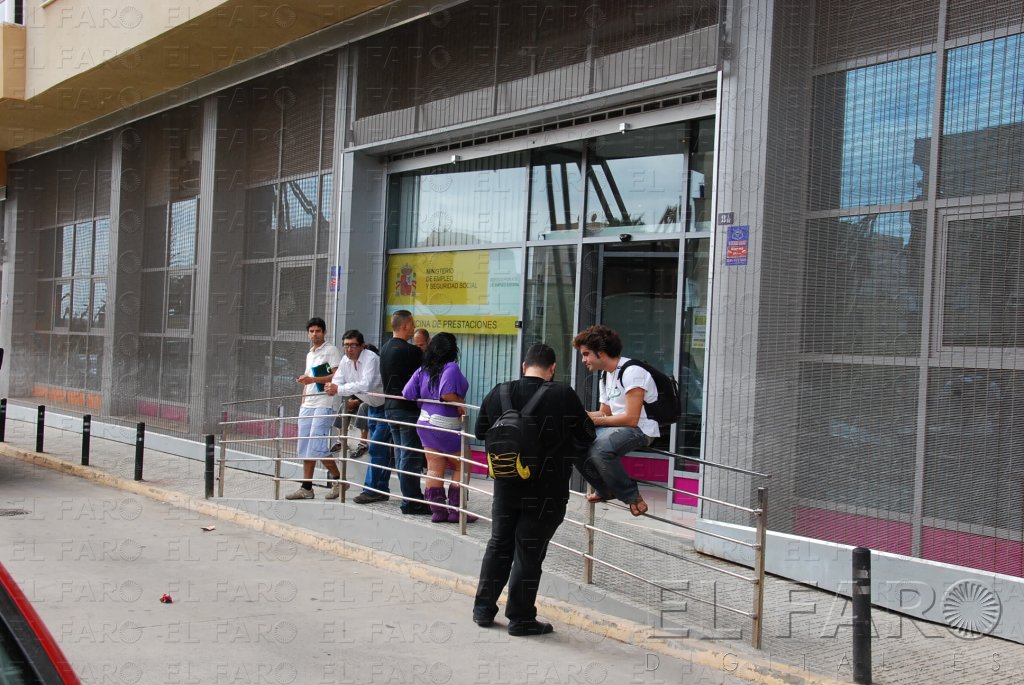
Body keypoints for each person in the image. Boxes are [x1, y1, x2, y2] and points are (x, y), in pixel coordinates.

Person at [472, 343, 596, 637]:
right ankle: (521, 618)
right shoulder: (562, 394)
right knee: (529, 553)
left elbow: (480, 432)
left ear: (524, 366)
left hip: (505, 486)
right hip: (546, 491)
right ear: (552, 369)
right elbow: (587, 434)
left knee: (499, 545)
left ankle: (483, 609)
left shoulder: (500, 392)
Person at [572, 324, 656, 516]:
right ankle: (605, 489)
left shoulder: (632, 372)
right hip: (617, 427)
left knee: (599, 450)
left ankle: (632, 496)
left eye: (586, 354)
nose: (583, 360)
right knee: (574, 444)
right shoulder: (606, 375)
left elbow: (632, 419)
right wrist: (578, 415)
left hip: (641, 429)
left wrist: (593, 421)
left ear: (601, 353)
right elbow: (604, 413)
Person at [402, 332, 475, 523]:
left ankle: (438, 511)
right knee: (463, 464)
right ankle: (457, 511)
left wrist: (425, 397)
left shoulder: (423, 369)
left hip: (425, 422)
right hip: (446, 423)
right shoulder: (451, 367)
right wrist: (461, 403)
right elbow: (447, 393)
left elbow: (407, 393)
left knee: (434, 467)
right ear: (452, 349)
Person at [325, 330, 390, 504]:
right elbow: (338, 380)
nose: (349, 349)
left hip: (386, 407)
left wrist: (338, 389)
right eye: (346, 345)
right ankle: (381, 489)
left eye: (353, 345)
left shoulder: (371, 358)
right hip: (371, 406)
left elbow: (365, 384)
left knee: (376, 448)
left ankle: (371, 490)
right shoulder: (345, 360)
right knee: (381, 450)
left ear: (362, 346)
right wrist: (332, 387)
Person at [378, 311, 431, 515]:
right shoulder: (411, 351)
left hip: (390, 407)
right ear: (405, 326)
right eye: (413, 324)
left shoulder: (385, 348)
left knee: (401, 454)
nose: (414, 327)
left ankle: (409, 497)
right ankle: (412, 500)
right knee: (410, 456)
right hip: (407, 409)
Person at [288, 317, 343, 500]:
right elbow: (309, 378)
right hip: (308, 403)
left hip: (324, 402)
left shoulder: (331, 350)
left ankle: (339, 480)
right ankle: (306, 487)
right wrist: (304, 395)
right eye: (311, 331)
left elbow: (335, 376)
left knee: (317, 444)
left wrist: (313, 380)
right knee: (305, 445)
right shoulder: (310, 354)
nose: (314, 334)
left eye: (318, 331)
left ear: (324, 332)